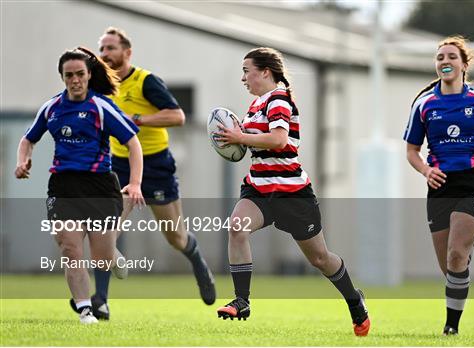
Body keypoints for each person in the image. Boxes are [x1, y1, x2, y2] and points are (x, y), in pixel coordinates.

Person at [214, 47, 370, 336]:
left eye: (247, 70)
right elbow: (253, 143)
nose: (243, 78)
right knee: (236, 227)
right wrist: (232, 141)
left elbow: (278, 139)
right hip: (259, 189)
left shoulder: (279, 100)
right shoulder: (256, 105)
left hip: (292, 193)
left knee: (320, 258)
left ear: (265, 72)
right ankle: (242, 300)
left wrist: (239, 136)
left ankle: (354, 299)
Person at [87, 27, 216, 319]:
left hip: (156, 166)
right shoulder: (101, 86)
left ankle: (197, 262)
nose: (105, 54)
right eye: (102, 48)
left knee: (176, 237)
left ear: (127, 52)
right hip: (119, 166)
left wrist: (136, 119)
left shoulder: (146, 81)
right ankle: (101, 301)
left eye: (111, 48)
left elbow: (178, 116)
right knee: (106, 228)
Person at [15, 47, 145, 324]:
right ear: (62, 77)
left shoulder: (101, 106)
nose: (75, 80)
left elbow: (133, 143)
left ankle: (112, 250)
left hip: (99, 185)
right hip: (63, 185)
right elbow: (28, 139)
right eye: (69, 75)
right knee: (70, 248)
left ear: (88, 75)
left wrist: (135, 183)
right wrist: (23, 161)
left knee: (102, 258)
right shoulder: (52, 107)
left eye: (80, 74)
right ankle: (85, 309)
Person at [403, 36, 474, 335]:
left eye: (452, 57)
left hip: (473, 181)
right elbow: (411, 151)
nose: (445, 61)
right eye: (440, 57)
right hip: (440, 186)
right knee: (451, 267)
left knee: (457, 252)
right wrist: (426, 171)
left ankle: (450, 329)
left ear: (464, 65)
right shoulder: (424, 105)